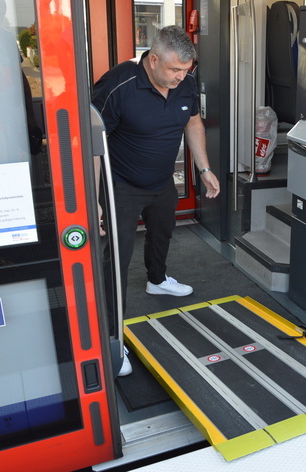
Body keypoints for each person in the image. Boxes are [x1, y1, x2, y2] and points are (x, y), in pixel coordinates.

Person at [92, 25, 220, 375]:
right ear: (152, 60)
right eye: (174, 69)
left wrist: (203, 168)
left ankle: (157, 279)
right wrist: (95, 196)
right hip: (121, 184)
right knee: (115, 259)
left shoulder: (186, 83)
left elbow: (193, 122)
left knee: (162, 230)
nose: (181, 77)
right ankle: (109, 337)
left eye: (186, 70)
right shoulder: (118, 86)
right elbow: (92, 144)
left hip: (161, 179)